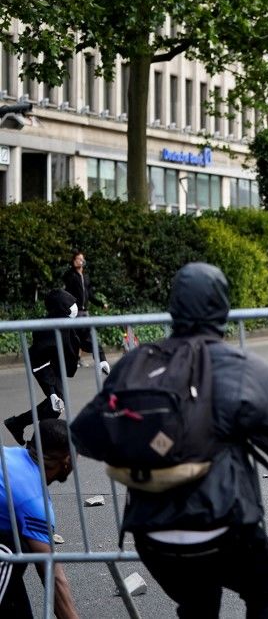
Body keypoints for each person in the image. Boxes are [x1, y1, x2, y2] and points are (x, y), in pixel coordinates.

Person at [123, 262, 268, 617]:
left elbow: (90, 434)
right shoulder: (242, 369)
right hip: (221, 527)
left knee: (196, 601)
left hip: (150, 533)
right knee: (267, 589)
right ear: (222, 308)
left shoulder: (137, 364)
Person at [0, 419, 79, 619]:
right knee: (16, 549)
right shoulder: (33, 501)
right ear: (67, 460)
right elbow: (51, 574)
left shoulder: (9, 455)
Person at [5, 289, 81, 446]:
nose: (75, 307)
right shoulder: (46, 328)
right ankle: (34, 441)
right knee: (56, 403)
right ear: (60, 308)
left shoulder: (65, 321)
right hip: (44, 366)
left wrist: (100, 358)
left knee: (56, 405)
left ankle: (20, 426)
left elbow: (85, 336)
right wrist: (52, 392)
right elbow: (40, 361)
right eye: (70, 305)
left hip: (55, 365)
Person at [62, 250, 109, 374]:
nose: (80, 261)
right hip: (75, 312)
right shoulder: (71, 276)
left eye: (82, 259)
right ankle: (76, 360)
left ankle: (90, 359)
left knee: (86, 336)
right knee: (77, 337)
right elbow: (66, 288)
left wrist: (101, 303)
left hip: (84, 312)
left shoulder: (86, 277)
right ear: (74, 261)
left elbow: (90, 295)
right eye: (78, 259)